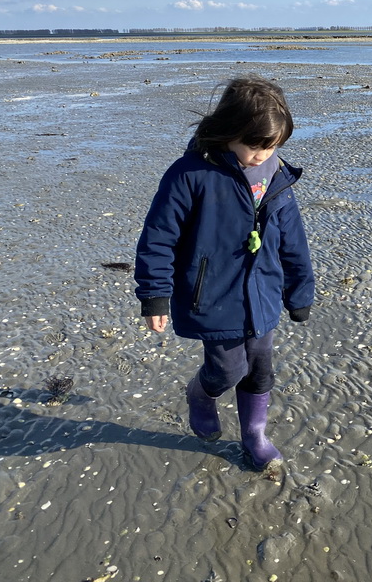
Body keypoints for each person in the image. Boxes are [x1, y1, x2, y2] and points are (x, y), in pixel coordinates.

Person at [134, 75, 315, 470]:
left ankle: (254, 435)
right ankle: (201, 394)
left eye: (273, 146)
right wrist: (154, 295)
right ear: (229, 132)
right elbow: (158, 238)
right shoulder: (189, 174)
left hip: (263, 293)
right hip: (212, 297)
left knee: (261, 366)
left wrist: (300, 291)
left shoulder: (277, 178)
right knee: (228, 368)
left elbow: (293, 241)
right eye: (256, 145)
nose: (263, 155)